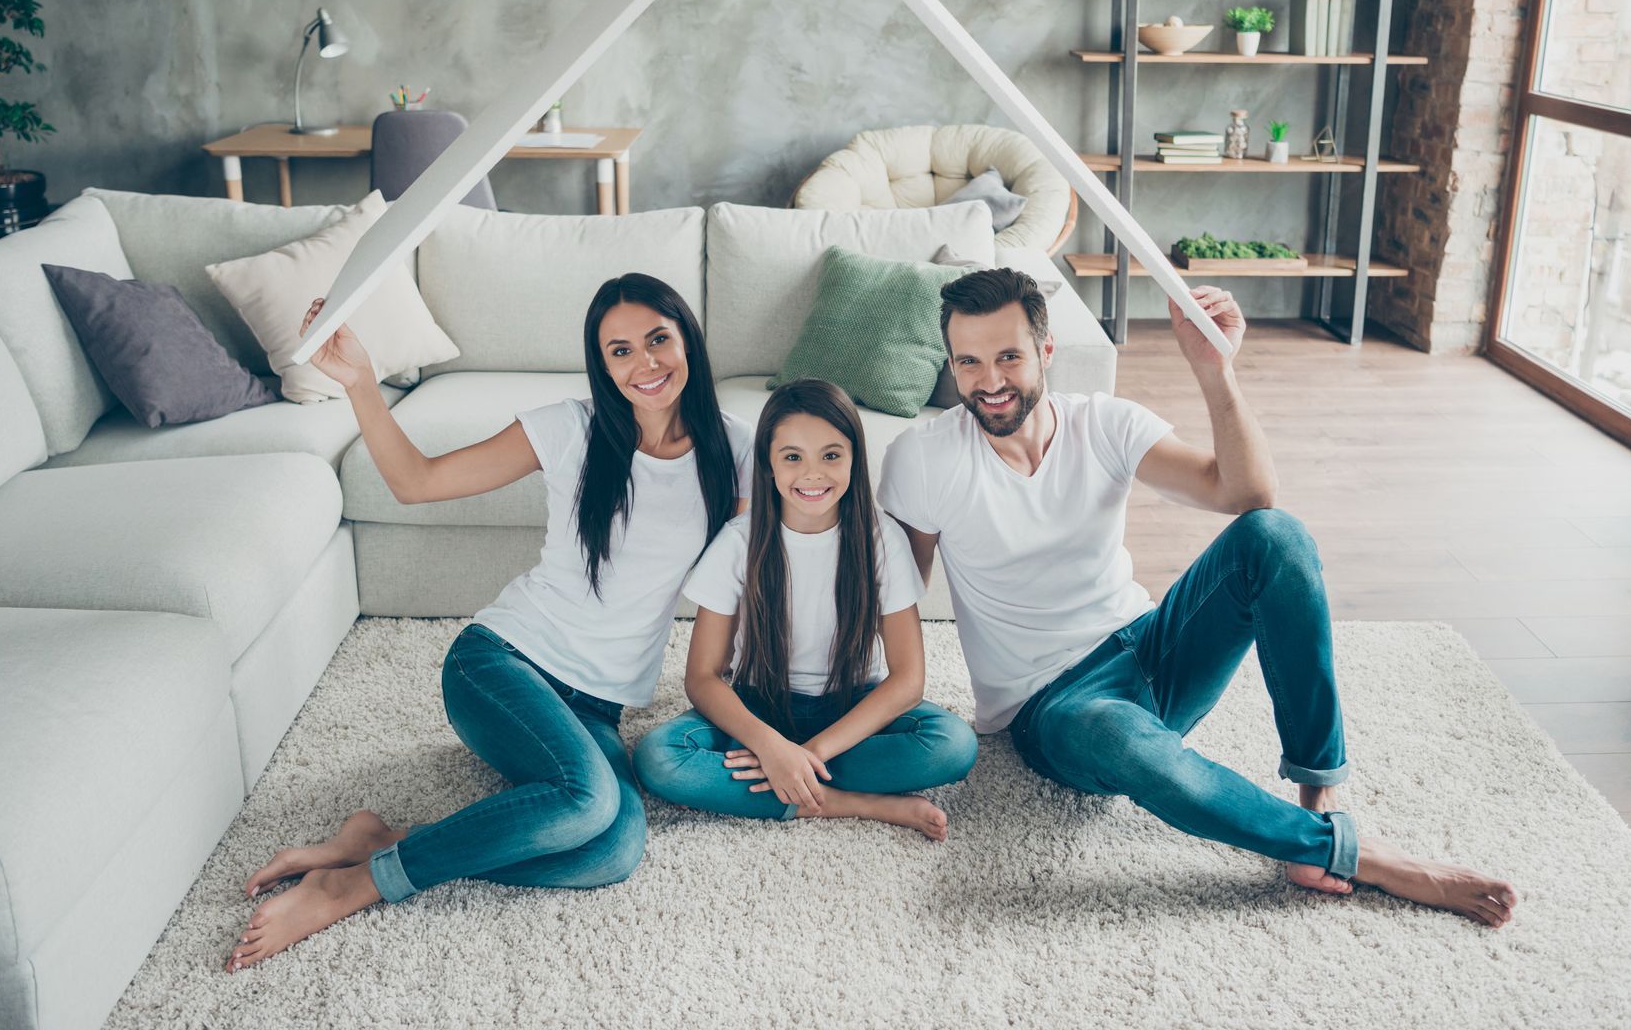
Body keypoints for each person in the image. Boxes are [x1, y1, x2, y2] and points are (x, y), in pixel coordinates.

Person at [877, 267, 1518, 927]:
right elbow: (894, 597)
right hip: (1056, 706)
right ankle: (1351, 854)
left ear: (1046, 351)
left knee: (1275, 536)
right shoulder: (925, 460)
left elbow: (1244, 494)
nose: (989, 381)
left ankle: (1319, 794)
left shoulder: (1105, 423)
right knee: (1119, 735)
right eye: (970, 361)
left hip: (1150, 647)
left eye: (1008, 355)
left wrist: (1216, 372)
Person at [226, 273, 750, 970]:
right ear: (602, 364)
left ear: (688, 337)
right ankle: (354, 885)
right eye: (619, 350)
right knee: (586, 798)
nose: (645, 363)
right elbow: (418, 482)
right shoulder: (572, 428)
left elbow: (753, 586)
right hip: (500, 665)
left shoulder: (738, 452)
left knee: (611, 849)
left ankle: (385, 840)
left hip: (596, 703)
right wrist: (359, 382)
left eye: (658, 338)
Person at [634, 379, 977, 839]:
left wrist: (805, 755)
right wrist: (770, 747)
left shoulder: (882, 540)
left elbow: (908, 679)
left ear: (855, 459)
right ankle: (844, 802)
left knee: (953, 746)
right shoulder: (739, 541)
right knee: (660, 757)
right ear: (768, 466)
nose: (812, 474)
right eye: (792, 457)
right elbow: (701, 677)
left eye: (831, 456)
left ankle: (793, 782)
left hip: (854, 708)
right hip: (759, 707)